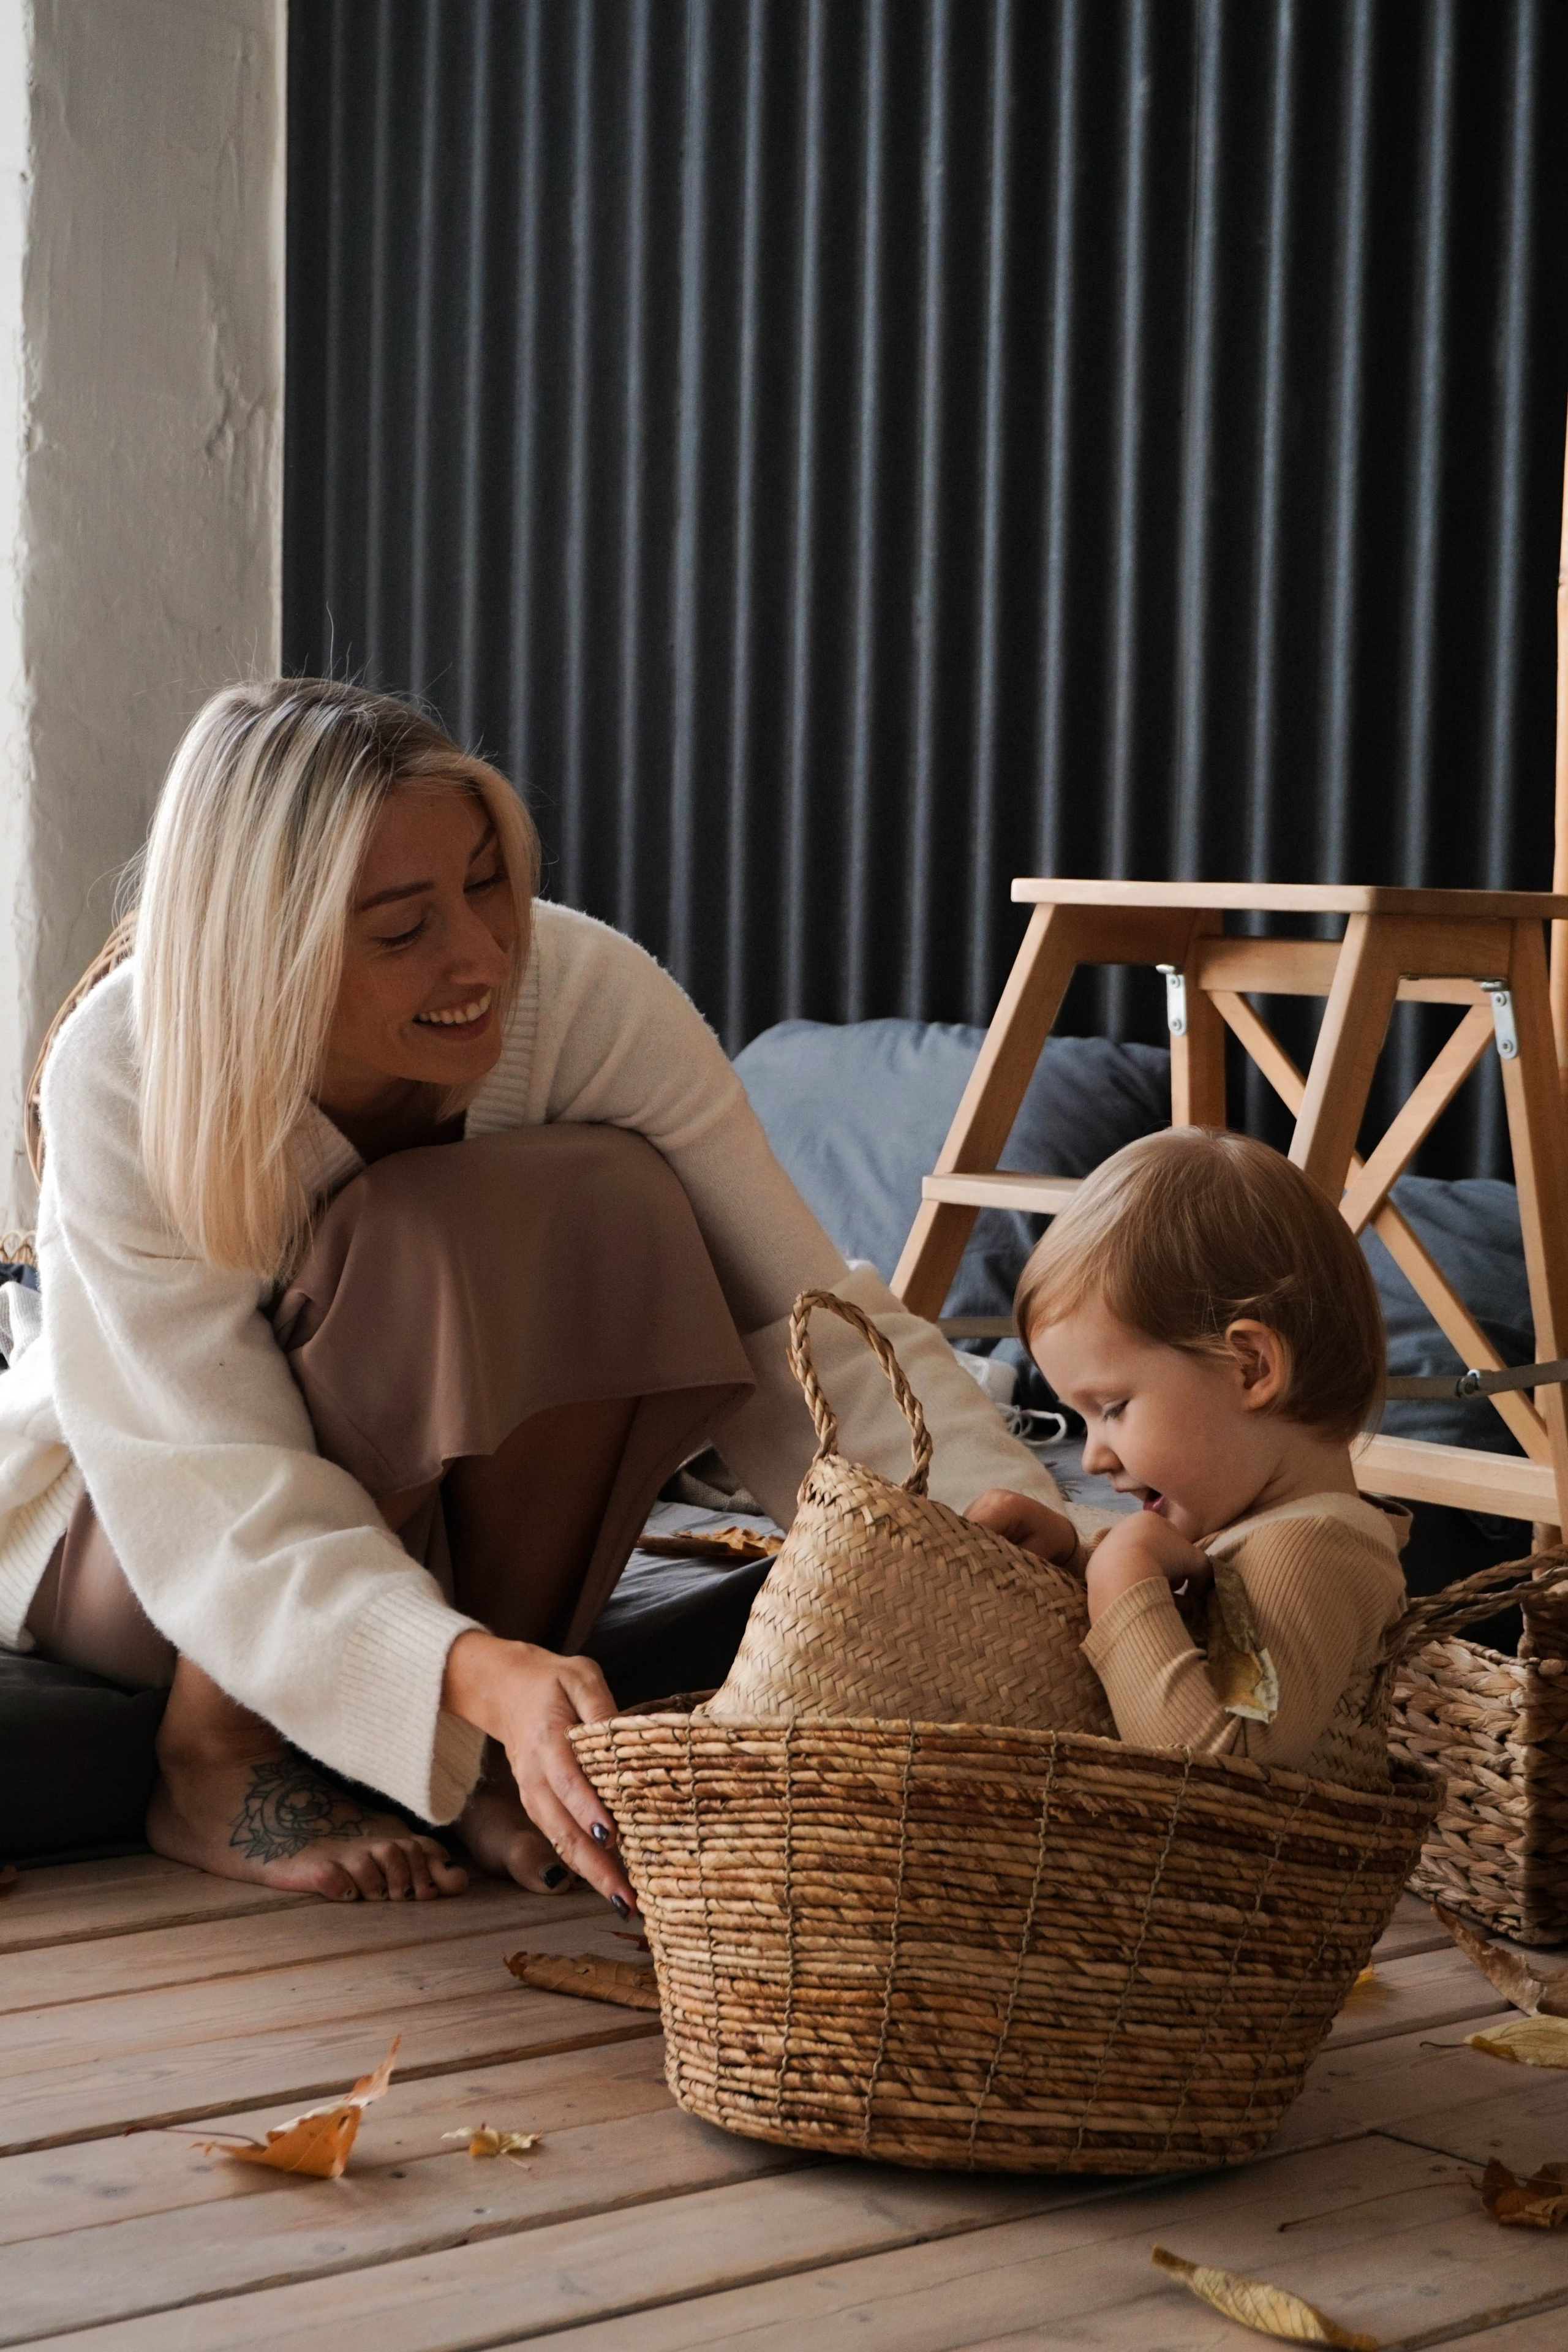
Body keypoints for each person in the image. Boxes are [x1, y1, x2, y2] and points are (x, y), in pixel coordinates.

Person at [2, 677, 1097, 1909]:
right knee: (414, 1242)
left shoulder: (581, 994)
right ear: (270, 949)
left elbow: (808, 1326)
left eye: (486, 882)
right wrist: (471, 1674)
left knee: (611, 1201)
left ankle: (458, 1753)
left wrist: (1000, 1524)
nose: (481, 955)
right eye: (402, 927)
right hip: (139, 1549)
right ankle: (216, 1760)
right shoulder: (127, 1067)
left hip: (435, 1563)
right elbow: (206, 1488)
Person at [967, 1128, 1407, 1782]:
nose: (1091, 1458)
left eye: (1112, 1408)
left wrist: (1118, 1573)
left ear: (1249, 1367)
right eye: (1080, 1418)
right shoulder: (1258, 1527)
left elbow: (1221, 1765)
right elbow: (1202, 1613)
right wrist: (1073, 1555)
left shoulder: (1313, 1550)